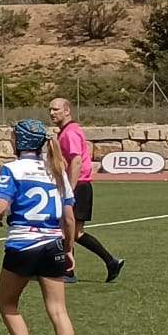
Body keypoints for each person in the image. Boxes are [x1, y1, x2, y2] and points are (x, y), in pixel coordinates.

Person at [0, 119, 81, 335]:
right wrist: (68, 249)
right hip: (53, 244)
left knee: (7, 304)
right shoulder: (57, 170)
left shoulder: (11, 169)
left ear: (18, 142)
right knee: (58, 311)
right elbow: (69, 218)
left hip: (23, 245)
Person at [49, 98, 123, 283]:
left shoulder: (69, 134)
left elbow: (76, 161)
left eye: (56, 109)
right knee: (71, 230)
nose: (52, 113)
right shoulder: (68, 131)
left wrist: (69, 190)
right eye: (50, 109)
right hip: (80, 185)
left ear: (67, 111)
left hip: (79, 186)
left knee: (70, 230)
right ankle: (108, 262)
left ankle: (70, 271)